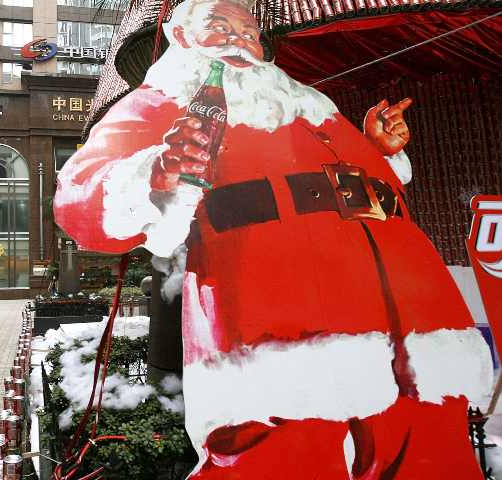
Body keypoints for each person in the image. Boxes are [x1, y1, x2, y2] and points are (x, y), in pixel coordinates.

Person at [53, 0, 492, 478]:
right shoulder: (163, 100)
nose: (240, 38)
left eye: (249, 31)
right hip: (276, 308)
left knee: (429, 440)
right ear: (181, 38)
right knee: (281, 448)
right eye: (220, 26)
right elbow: (79, 194)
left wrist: (376, 151)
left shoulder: (309, 104)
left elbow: (351, 186)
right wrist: (159, 169)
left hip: (408, 304)